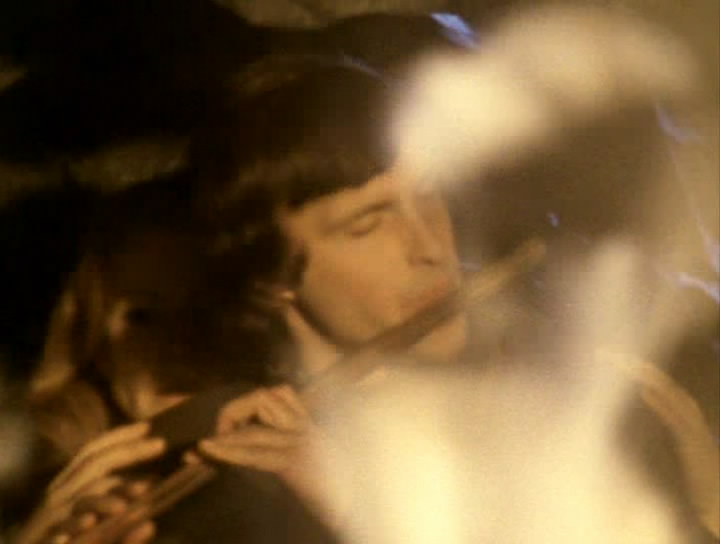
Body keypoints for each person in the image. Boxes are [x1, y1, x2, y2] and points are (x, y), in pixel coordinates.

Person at [12, 56, 718, 543]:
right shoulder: (221, 489)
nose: (429, 245)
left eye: (430, 196)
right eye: (367, 224)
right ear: (271, 278)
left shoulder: (593, 407)